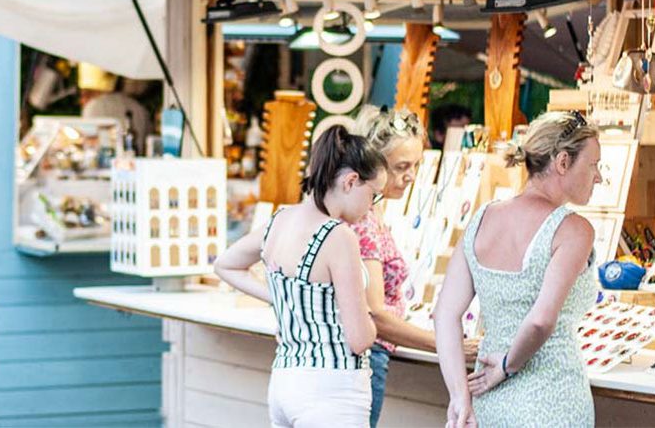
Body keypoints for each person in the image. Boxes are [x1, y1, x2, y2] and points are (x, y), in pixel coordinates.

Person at [434, 111, 601, 428]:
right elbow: (540, 321)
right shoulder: (573, 229)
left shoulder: (482, 219)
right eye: (593, 165)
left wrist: (460, 397)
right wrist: (507, 366)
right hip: (553, 400)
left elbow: (444, 315)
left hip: (489, 404)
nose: (599, 176)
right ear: (563, 162)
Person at [215, 126, 384, 427]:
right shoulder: (339, 236)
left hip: (285, 381)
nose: (373, 207)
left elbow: (225, 265)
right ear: (351, 181)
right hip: (332, 390)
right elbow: (359, 339)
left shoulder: (280, 221)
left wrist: (279, 297)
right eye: (374, 195)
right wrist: (372, 321)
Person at [352, 110, 478, 427]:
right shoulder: (364, 223)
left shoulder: (371, 212)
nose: (411, 176)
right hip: (366, 361)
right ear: (372, 164)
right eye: (401, 167)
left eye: (416, 165)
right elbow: (375, 315)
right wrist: (447, 345)